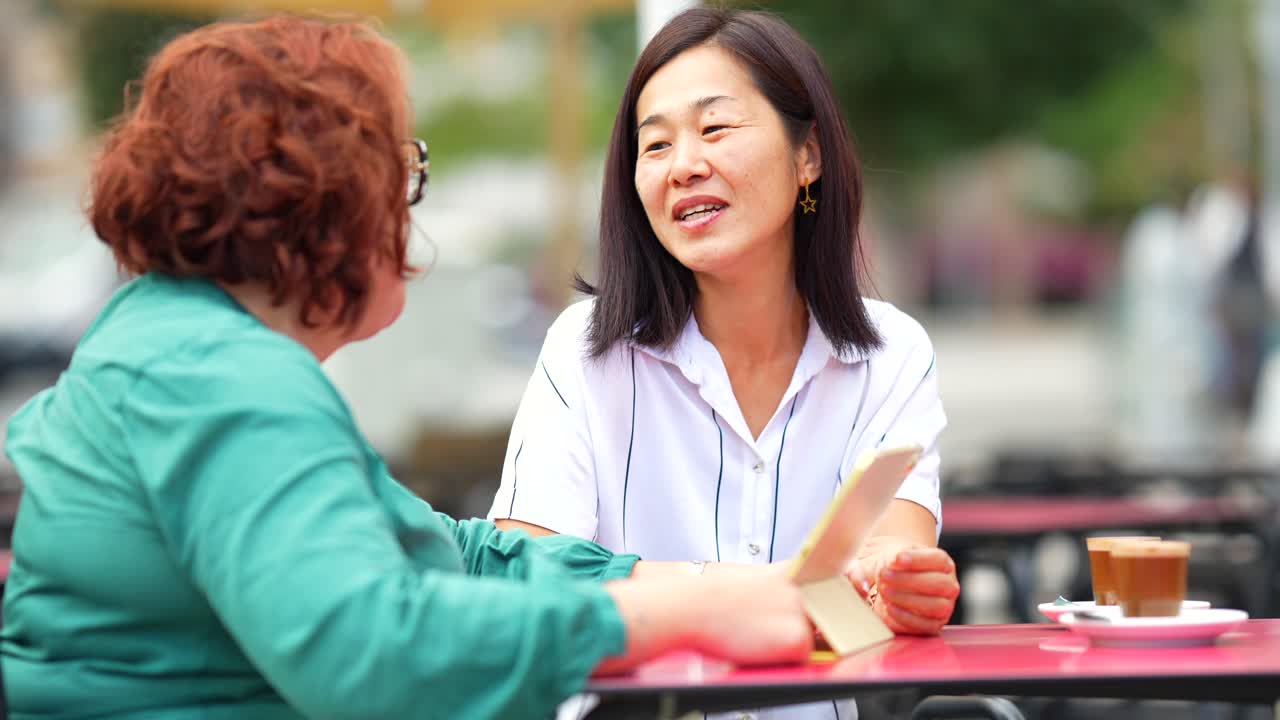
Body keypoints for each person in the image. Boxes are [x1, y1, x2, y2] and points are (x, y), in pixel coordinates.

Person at [0, 16, 816, 720]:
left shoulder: (173, 347)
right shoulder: (224, 383)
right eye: (401, 165)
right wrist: (666, 618)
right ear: (329, 197)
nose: (409, 198)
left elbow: (444, 552)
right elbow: (375, 652)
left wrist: (703, 588)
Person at [489, 9, 959, 717]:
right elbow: (523, 578)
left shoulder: (892, 357)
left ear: (809, 155)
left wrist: (902, 584)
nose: (684, 166)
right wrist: (750, 593)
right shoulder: (585, 352)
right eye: (655, 146)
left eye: (715, 129)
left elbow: (888, 560)